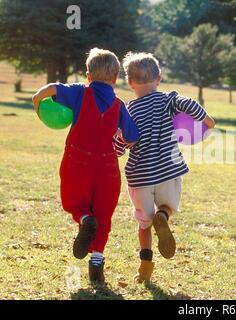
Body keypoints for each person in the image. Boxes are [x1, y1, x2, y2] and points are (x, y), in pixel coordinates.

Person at [32, 48, 139, 284]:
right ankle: (97, 263)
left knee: (74, 201)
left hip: (77, 160)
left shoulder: (80, 92)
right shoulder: (119, 104)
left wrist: (38, 105)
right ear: (115, 79)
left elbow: (46, 91)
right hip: (107, 165)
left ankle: (83, 219)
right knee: (104, 214)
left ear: (88, 75)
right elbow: (132, 136)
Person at [114, 52, 215, 283]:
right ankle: (163, 215)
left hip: (139, 176)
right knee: (169, 205)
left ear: (130, 83)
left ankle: (146, 265)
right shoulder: (168, 100)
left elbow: (121, 143)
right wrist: (208, 120)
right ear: (158, 78)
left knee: (143, 224)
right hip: (168, 170)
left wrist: (117, 148)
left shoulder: (128, 111)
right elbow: (187, 103)